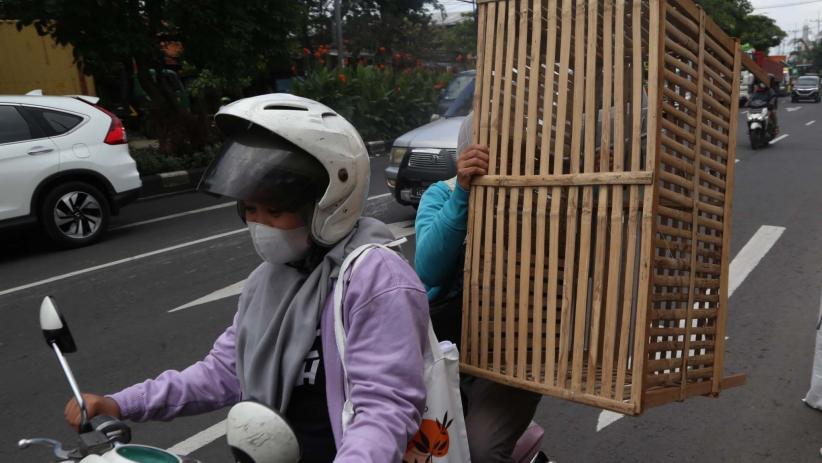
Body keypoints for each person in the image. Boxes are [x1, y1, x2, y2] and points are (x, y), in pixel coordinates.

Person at [64, 94, 431, 462]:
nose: (259, 224)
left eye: (274, 210)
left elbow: (385, 408)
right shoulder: (268, 282)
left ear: (330, 204)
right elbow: (223, 373)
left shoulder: (375, 279)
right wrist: (120, 403)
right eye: (250, 209)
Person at [415, 112, 542, 463]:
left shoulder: (534, 202)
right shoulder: (442, 196)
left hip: (511, 357)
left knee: (481, 451)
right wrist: (464, 195)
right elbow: (428, 269)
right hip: (442, 352)